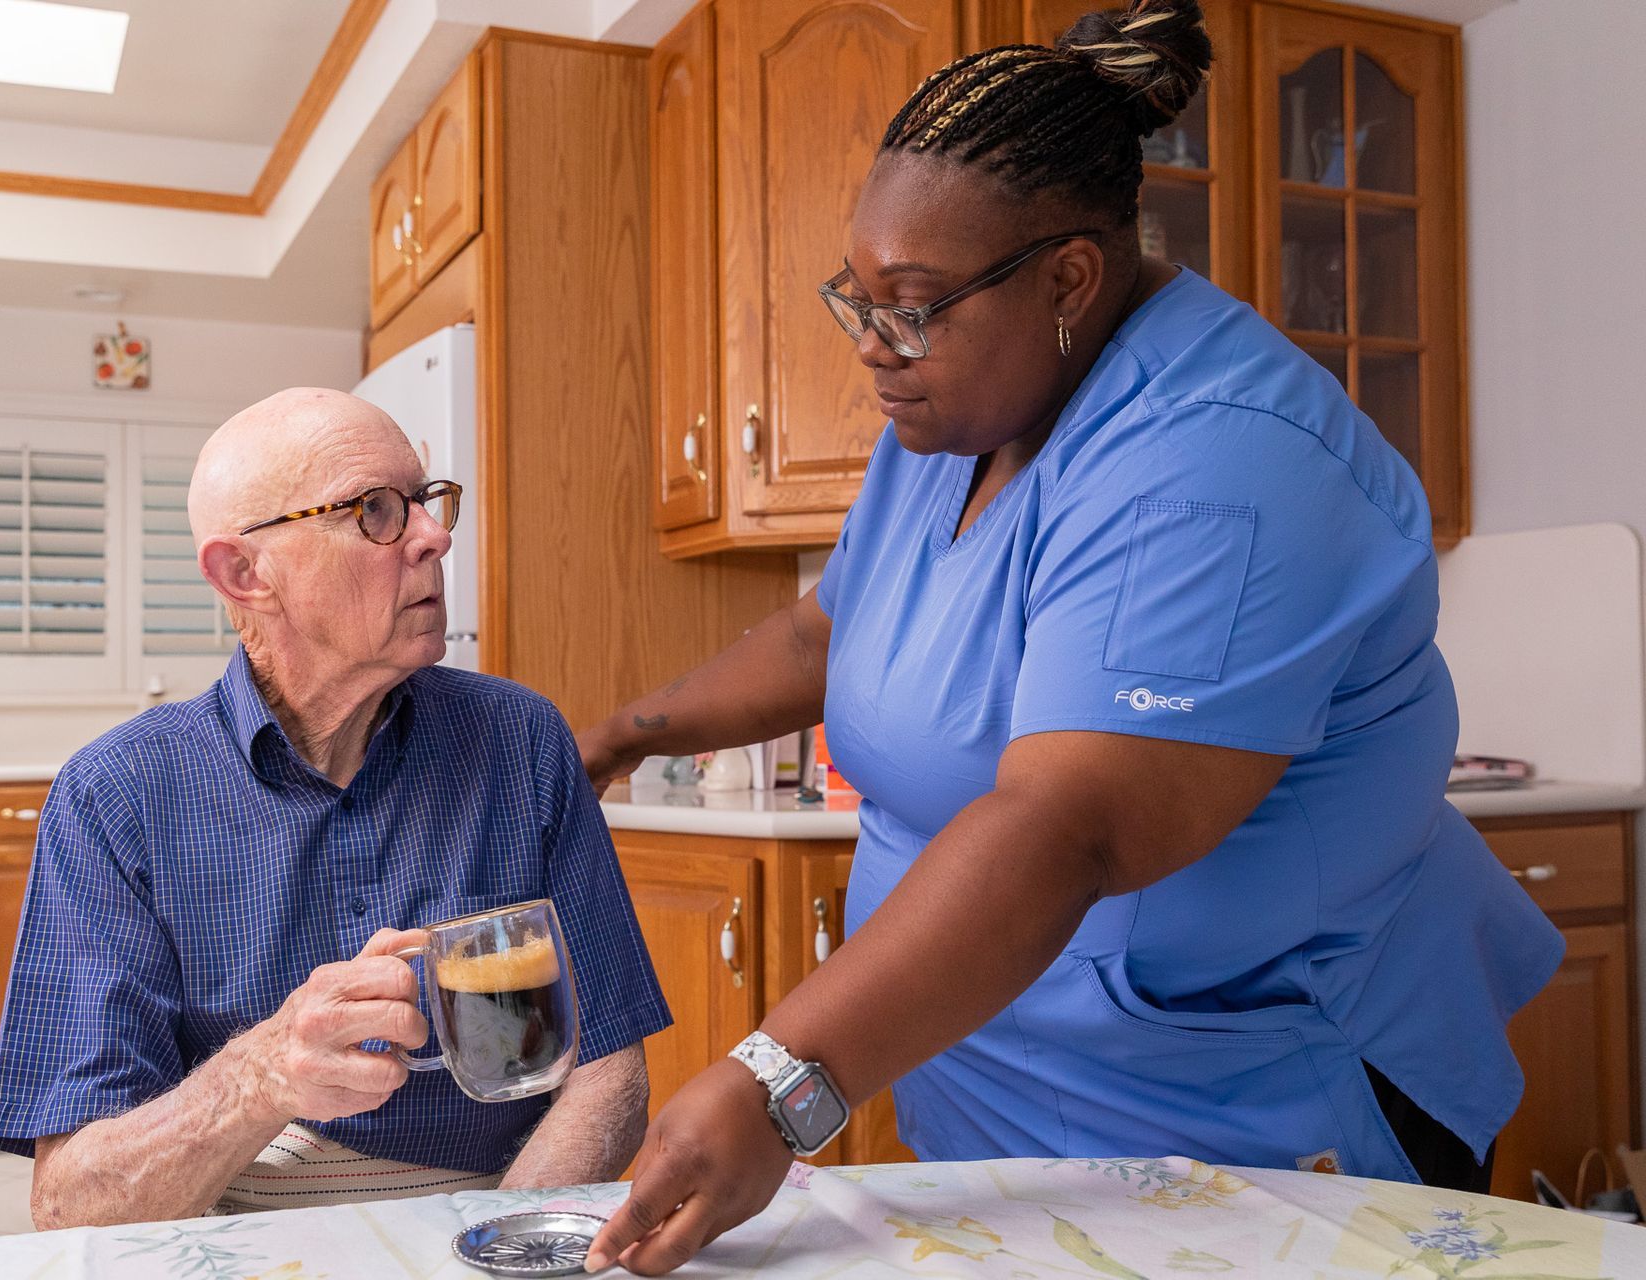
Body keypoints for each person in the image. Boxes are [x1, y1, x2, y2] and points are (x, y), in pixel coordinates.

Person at [575, 2, 1559, 1272]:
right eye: (858, 298)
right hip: (1006, 1099)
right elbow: (834, 628)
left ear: (1070, 278)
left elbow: (1071, 825)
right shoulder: (954, 414)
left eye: (914, 306)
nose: (874, 348)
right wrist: (614, 733)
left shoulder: (1220, 463)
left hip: (1250, 1117)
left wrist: (778, 1080)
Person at [0, 388, 670, 1228]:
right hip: (239, 1227)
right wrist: (262, 1076)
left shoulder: (521, 740)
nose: (434, 535)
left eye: (425, 501)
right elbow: (71, 1208)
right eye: (375, 511)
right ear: (244, 573)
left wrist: (495, 1242)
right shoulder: (115, 798)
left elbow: (609, 1073)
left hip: (502, 1207)